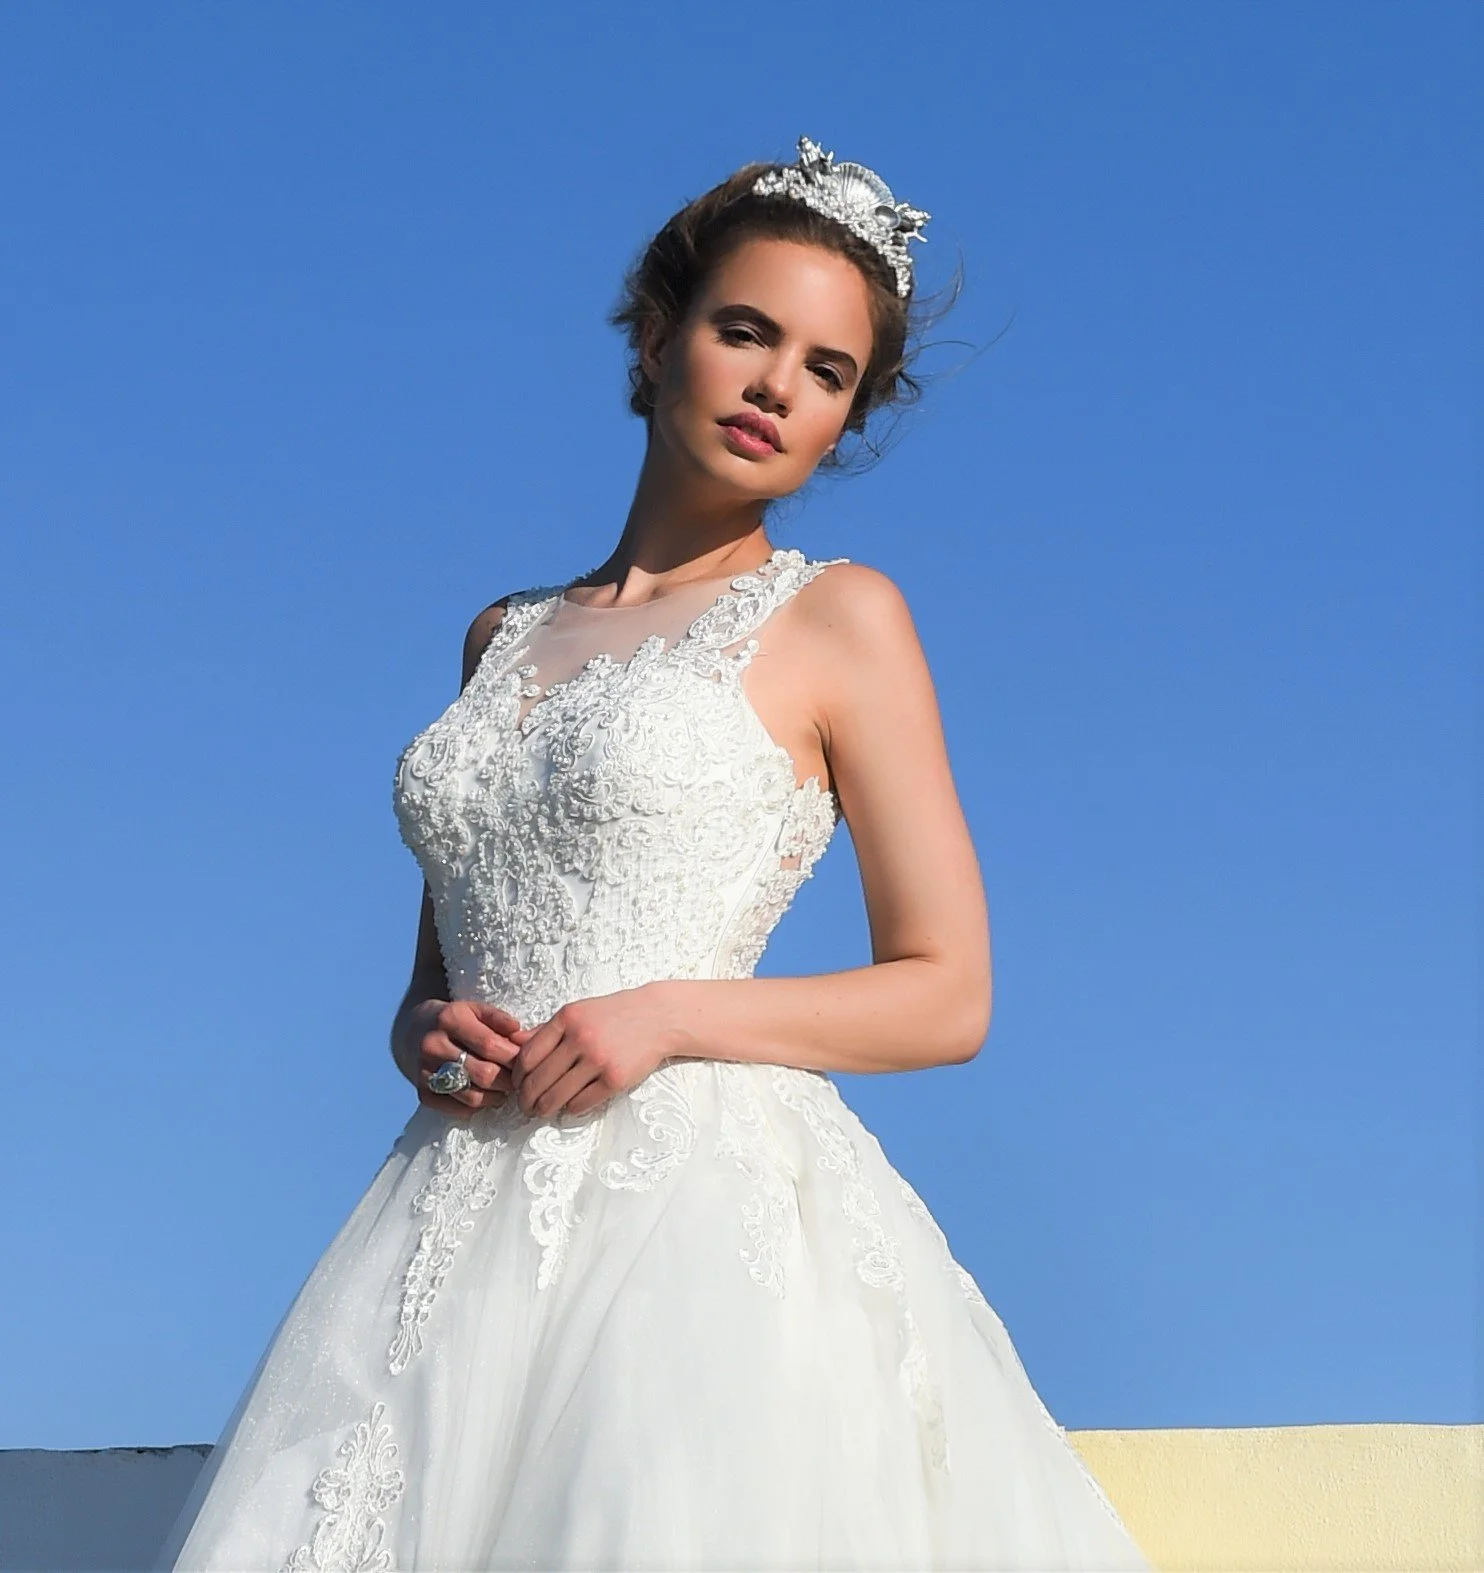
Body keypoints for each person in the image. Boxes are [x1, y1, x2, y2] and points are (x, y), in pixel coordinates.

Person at [158, 135, 1150, 1572]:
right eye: (746, 331)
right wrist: (428, 1033)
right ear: (656, 332)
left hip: (695, 1230)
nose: (774, 389)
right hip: (445, 1221)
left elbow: (947, 992)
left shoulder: (840, 620)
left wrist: (671, 1014)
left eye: (826, 372)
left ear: (845, 418)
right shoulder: (499, 638)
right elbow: (431, 979)